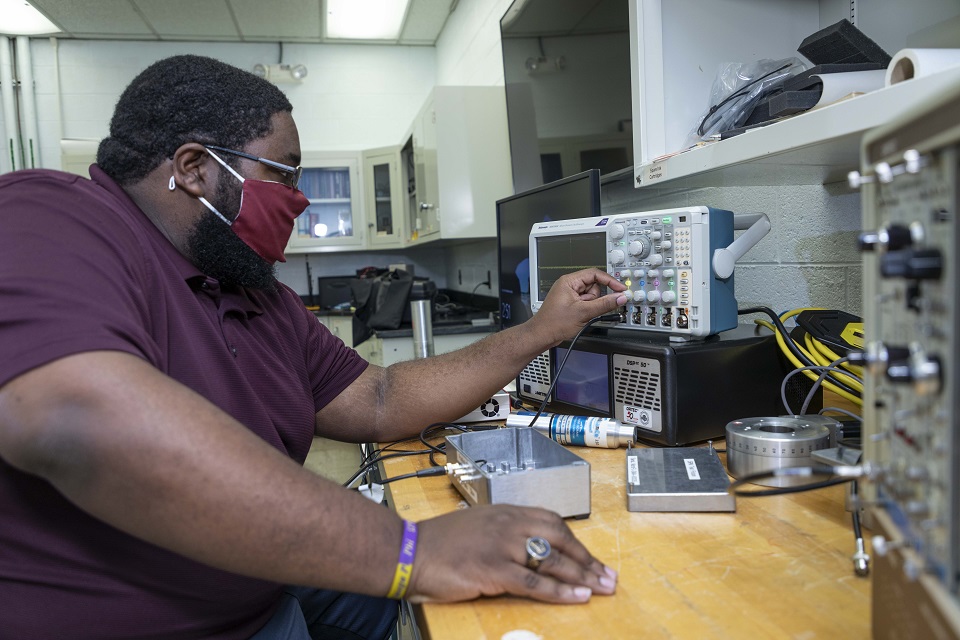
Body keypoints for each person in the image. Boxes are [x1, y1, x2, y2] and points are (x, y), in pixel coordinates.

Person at [0, 55, 627, 640]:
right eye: (283, 173)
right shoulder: (49, 213)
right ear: (194, 168)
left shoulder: (253, 288)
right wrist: (414, 551)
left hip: (266, 576)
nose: (297, 198)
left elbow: (378, 398)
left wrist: (540, 330)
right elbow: (77, 417)